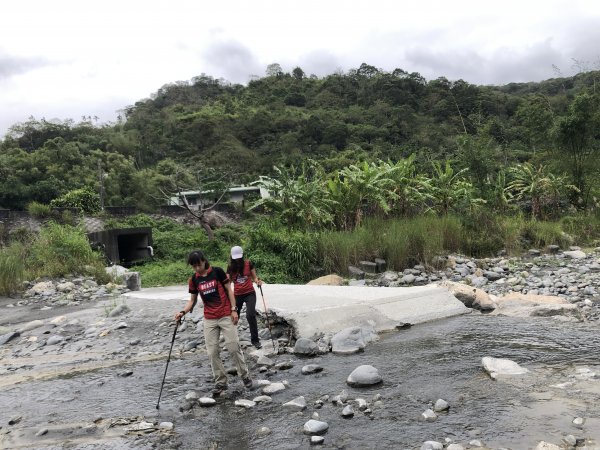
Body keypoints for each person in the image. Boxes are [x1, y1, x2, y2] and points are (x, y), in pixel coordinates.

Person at [174, 250, 252, 396]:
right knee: (212, 351)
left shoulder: (217, 272)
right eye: (193, 266)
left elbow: (229, 290)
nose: (197, 268)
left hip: (225, 315)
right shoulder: (194, 279)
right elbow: (192, 300)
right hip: (209, 319)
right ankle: (221, 382)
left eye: (198, 265)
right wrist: (182, 312)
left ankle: (245, 376)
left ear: (204, 261)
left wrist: (234, 310)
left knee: (233, 347)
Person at [227, 245, 263, 349]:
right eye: (235, 257)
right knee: (234, 317)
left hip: (249, 293)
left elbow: (254, 277)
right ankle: (232, 340)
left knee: (250, 315)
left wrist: (258, 281)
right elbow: (227, 283)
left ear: (242, 256)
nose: (237, 259)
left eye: (239, 257)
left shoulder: (248, 263)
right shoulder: (230, 267)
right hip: (237, 295)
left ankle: (255, 340)